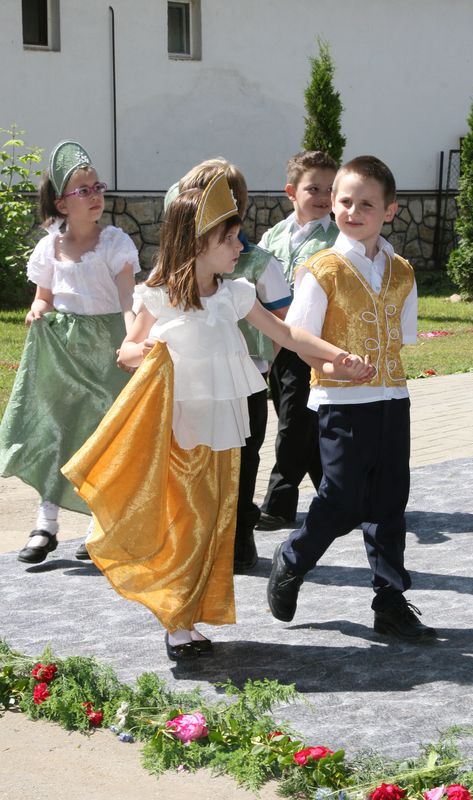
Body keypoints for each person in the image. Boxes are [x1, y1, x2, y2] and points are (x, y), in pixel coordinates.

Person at [62, 173, 374, 662]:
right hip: (177, 428)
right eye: (228, 239)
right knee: (187, 520)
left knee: (212, 520)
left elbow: (288, 334)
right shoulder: (161, 295)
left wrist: (337, 356)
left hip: (224, 428)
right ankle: (177, 621)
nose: (239, 246)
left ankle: (187, 613)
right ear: (196, 243)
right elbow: (126, 353)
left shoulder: (235, 293)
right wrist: (149, 349)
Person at [267, 155, 437, 642]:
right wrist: (332, 363)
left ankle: (390, 601)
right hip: (342, 403)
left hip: (392, 399)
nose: (352, 211)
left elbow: (401, 337)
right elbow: (299, 337)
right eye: (345, 201)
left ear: (390, 211)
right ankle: (293, 558)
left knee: (390, 501)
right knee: (341, 500)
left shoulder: (402, 271)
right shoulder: (322, 269)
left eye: (366, 204)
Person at [0, 140, 139, 564]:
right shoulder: (49, 248)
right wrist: (37, 311)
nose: (95, 196)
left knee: (101, 438)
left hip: (107, 350)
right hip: (62, 353)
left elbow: (128, 299)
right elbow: (44, 297)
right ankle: (46, 524)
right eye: (84, 190)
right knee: (57, 432)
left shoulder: (114, 243)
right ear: (62, 204)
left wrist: (132, 339)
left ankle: (99, 525)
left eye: (98, 187)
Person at [177, 158, 292, 573]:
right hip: (194, 385)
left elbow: (284, 321)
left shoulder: (256, 263)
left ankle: (241, 536)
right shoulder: (178, 270)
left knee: (243, 460)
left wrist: (265, 362)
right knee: (197, 461)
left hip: (246, 380)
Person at [255, 150, 339, 531]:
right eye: (313, 189)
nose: (323, 197)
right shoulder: (274, 236)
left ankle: (279, 503)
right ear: (291, 192)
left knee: (294, 422)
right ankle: (338, 496)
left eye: (330, 190)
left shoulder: (337, 238)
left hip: (312, 340)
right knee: (302, 422)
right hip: (276, 339)